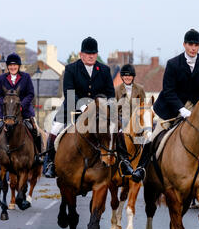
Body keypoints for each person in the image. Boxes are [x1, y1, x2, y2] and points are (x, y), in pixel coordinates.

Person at [132, 29, 199, 182]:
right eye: (190, 44)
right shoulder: (173, 64)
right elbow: (168, 91)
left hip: (196, 109)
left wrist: (196, 110)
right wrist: (182, 109)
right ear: (184, 45)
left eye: (196, 45)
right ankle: (141, 168)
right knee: (153, 136)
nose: (193, 48)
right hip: (170, 108)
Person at [44, 36, 133, 178]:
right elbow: (69, 92)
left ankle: (125, 161)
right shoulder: (71, 69)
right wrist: (84, 105)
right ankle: (49, 162)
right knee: (55, 127)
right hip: (73, 106)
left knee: (117, 127)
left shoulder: (104, 69)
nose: (91, 56)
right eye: (87, 54)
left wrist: (108, 106)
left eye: (93, 54)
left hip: (99, 108)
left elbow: (110, 93)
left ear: (96, 54)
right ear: (81, 54)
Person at [0, 52, 42, 164]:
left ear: (19, 66)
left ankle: (37, 155)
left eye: (15, 65)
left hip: (24, 112)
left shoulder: (26, 77)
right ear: (7, 67)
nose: (12, 67)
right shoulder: (2, 78)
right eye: (10, 65)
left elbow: (30, 94)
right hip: (6, 113)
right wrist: (5, 106)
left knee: (36, 130)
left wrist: (21, 106)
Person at [115, 64, 146, 130]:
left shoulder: (140, 89)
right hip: (121, 122)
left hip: (136, 121)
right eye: (125, 75)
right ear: (122, 77)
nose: (127, 77)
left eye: (129, 75)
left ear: (133, 77)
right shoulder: (116, 90)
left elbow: (144, 106)